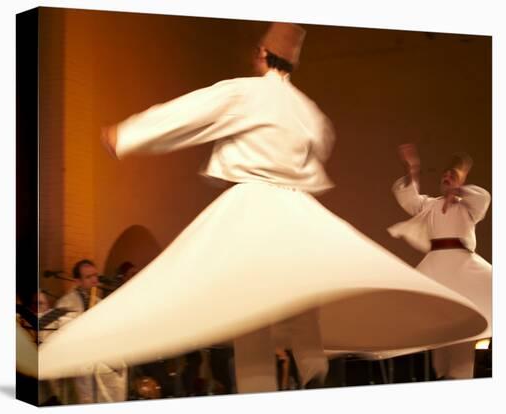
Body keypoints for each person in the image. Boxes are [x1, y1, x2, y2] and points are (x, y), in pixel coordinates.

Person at [39, 22, 486, 394]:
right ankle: (309, 362)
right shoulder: (308, 110)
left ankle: (263, 389)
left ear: (261, 53)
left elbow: (195, 112)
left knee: (248, 299)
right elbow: (318, 150)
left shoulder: (247, 92)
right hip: (296, 206)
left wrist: (129, 132)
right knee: (298, 282)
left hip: (254, 201)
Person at [388, 143, 492, 379]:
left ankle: (459, 377)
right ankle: (443, 375)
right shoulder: (431, 205)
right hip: (437, 267)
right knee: (441, 325)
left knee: (466, 323)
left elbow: (483, 198)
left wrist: (460, 190)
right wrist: (412, 169)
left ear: (461, 181)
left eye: (452, 175)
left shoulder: (468, 208)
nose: (447, 177)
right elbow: (409, 200)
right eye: (445, 174)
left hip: (463, 267)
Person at [51, 259, 128, 404]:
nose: (94, 280)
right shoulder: (66, 303)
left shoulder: (101, 303)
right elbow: (65, 332)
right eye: (88, 277)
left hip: (100, 359)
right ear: (77, 281)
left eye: (95, 275)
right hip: (80, 361)